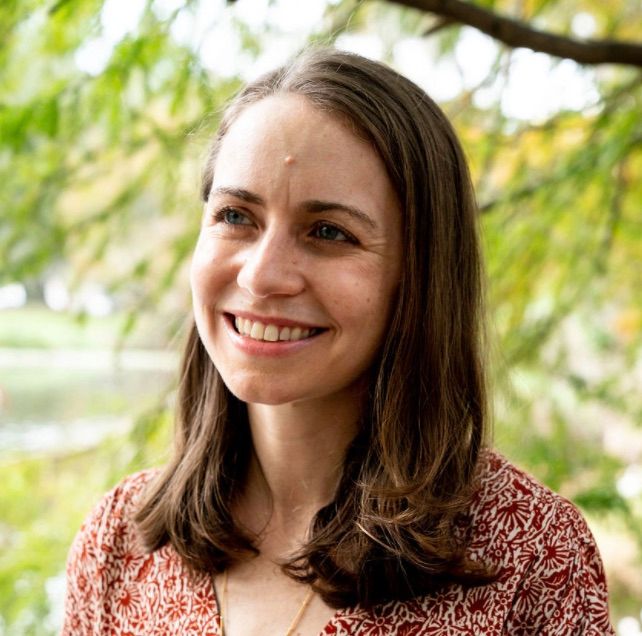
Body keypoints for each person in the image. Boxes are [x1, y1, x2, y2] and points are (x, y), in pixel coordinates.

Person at [62, 48, 614, 635]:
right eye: (235, 216)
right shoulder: (117, 545)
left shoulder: (529, 557)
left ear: (419, 275)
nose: (260, 276)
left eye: (328, 232)